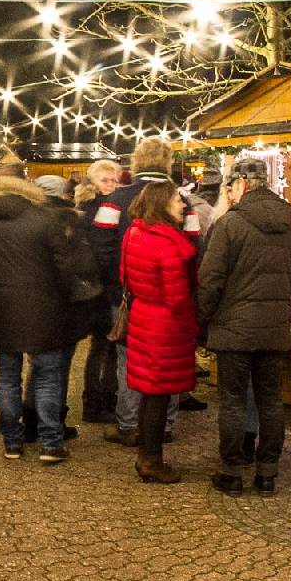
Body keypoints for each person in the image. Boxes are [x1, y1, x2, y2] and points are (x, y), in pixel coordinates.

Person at [196, 157, 291, 498]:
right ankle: (267, 473)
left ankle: (232, 472)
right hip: (274, 330)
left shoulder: (229, 225)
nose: (229, 193)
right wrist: (284, 312)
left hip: (234, 330)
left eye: (231, 186)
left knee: (232, 401)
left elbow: (210, 279)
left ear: (242, 185)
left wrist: (206, 318)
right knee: (271, 401)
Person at [0, 172, 76, 463]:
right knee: (47, 376)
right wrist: (67, 299)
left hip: (3, 308)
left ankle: (12, 442)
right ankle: (51, 443)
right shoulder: (45, 220)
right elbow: (64, 266)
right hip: (45, 307)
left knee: (7, 376)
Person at [88, 140, 183, 447]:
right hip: (169, 295)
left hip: (125, 296)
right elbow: (196, 247)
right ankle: (165, 425)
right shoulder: (182, 200)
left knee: (127, 357)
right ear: (167, 162)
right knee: (168, 358)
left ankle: (129, 424)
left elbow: (100, 248)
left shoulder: (115, 199)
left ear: (137, 161)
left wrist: (112, 285)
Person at [119, 181, 199, 483]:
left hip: (143, 316)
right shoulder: (166, 242)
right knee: (159, 395)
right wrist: (194, 327)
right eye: (178, 200)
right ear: (162, 203)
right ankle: (151, 460)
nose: (183, 205)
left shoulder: (135, 232)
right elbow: (177, 297)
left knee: (150, 393)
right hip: (165, 326)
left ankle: (147, 455)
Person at [28, 173, 98, 445]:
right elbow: (83, 265)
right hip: (65, 306)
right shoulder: (70, 220)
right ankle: (53, 424)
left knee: (38, 367)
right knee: (57, 369)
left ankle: (31, 420)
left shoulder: (28, 219)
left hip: (33, 304)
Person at [75, 158, 124, 423]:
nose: (111, 185)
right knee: (105, 346)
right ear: (93, 182)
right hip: (101, 287)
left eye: (114, 180)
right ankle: (98, 401)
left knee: (102, 345)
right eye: (105, 180)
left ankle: (97, 400)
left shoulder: (87, 207)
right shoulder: (96, 209)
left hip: (98, 287)